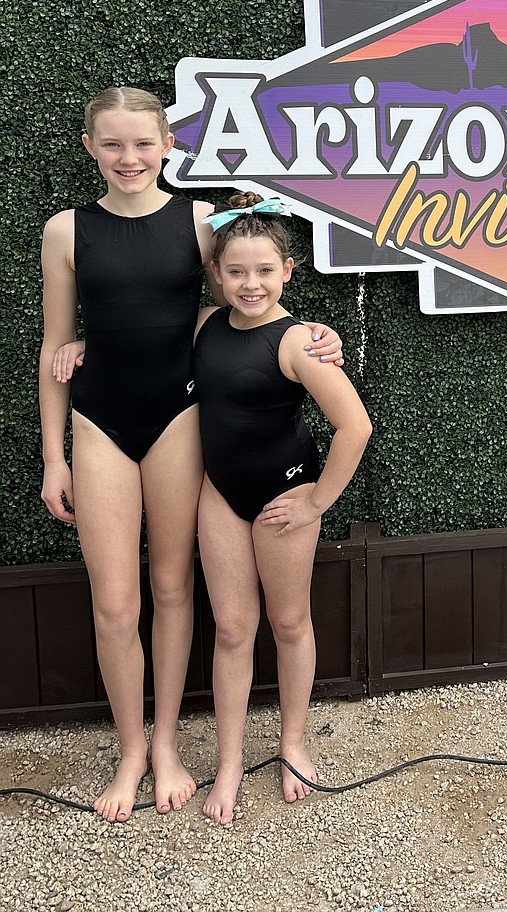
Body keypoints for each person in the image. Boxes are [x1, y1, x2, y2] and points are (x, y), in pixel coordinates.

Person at [38, 86, 342, 823]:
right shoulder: (65, 230)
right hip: (101, 421)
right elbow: (53, 346)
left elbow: (247, 294)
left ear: (168, 144)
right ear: (90, 148)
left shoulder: (202, 221)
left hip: (179, 417)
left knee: (173, 588)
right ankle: (131, 748)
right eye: (112, 144)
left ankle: (169, 743)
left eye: (143, 143)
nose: (129, 157)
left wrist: (312, 334)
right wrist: (54, 456)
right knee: (115, 605)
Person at [194, 192, 371, 825]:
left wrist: (318, 499)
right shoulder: (205, 325)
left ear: (288, 271)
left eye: (265, 271)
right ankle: (231, 761)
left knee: (289, 623)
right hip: (220, 494)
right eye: (236, 271)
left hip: (284, 497)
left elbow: (355, 426)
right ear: (216, 273)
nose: (250, 284)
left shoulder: (300, 343)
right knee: (234, 630)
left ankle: (292, 743)